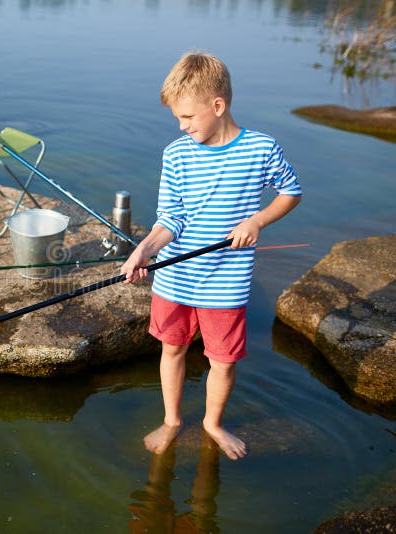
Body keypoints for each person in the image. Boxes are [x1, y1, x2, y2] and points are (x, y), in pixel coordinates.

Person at [121, 51, 302, 460]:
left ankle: (212, 423)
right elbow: (171, 217)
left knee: (221, 361)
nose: (183, 127)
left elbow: (291, 192)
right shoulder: (176, 154)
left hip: (227, 281)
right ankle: (171, 420)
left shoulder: (260, 149)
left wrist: (257, 221)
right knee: (172, 349)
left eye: (188, 117)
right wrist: (145, 250)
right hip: (175, 278)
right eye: (178, 120)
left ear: (217, 106)